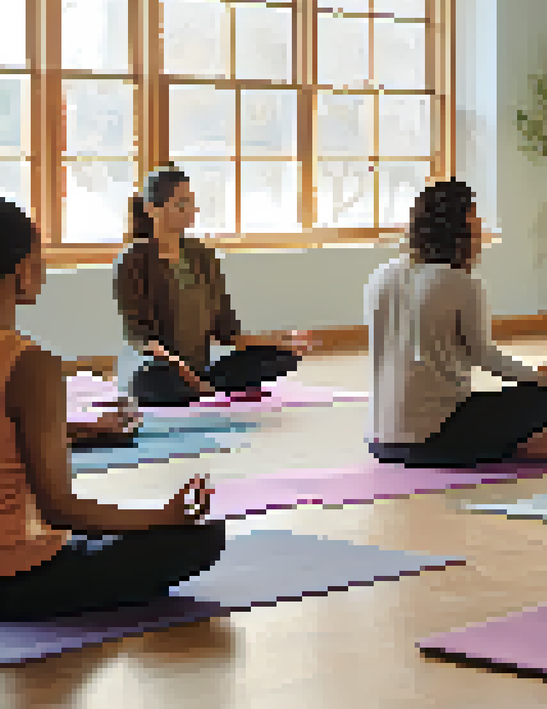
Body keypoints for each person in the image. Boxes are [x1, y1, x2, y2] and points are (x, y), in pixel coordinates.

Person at [0, 197, 223, 621]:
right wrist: (164, 516)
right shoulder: (29, 364)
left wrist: (82, 430)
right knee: (201, 536)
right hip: (15, 577)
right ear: (23, 272)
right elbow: (59, 510)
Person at [365, 178, 547, 469]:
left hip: (380, 441)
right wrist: (539, 377)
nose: (480, 226)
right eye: (475, 215)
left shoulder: (380, 276)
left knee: (490, 406)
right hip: (433, 440)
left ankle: (517, 444)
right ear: (460, 226)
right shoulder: (461, 282)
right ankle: (518, 445)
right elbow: (483, 355)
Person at [113, 165, 314, 408]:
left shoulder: (202, 256)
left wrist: (281, 341)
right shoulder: (132, 261)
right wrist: (194, 381)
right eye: (181, 204)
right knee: (160, 380)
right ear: (152, 209)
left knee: (283, 358)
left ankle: (199, 387)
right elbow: (144, 340)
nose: (192, 210)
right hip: (156, 366)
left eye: (192, 202)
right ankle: (193, 388)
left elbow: (227, 333)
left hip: (201, 368)